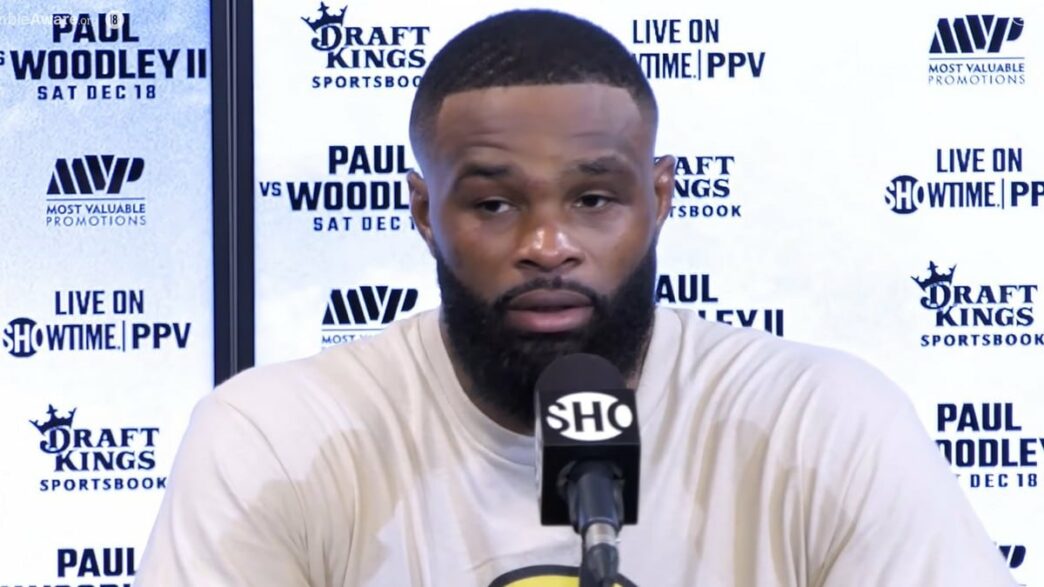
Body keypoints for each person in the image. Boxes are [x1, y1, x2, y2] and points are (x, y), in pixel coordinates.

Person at [137, 9, 1016, 586]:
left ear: (659, 199)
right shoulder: (272, 440)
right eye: (494, 203)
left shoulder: (826, 422)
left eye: (593, 199)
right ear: (424, 212)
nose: (548, 244)